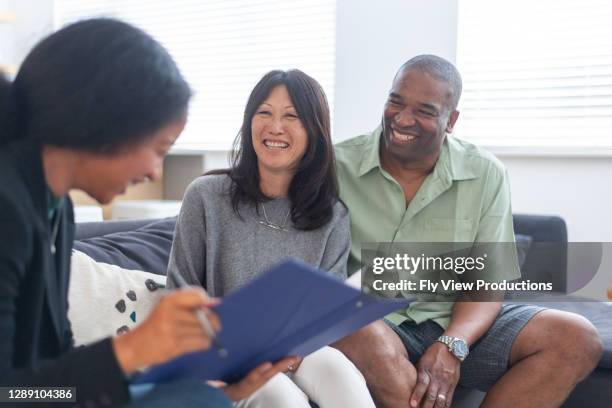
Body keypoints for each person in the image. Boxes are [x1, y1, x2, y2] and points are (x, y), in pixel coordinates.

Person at [0, 18, 299, 408]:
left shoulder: (55, 208)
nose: (155, 172)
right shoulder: (8, 209)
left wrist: (197, 391)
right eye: (159, 148)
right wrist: (132, 349)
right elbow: (12, 394)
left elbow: (48, 378)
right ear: (104, 123)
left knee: (200, 399)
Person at [332, 54, 603, 407]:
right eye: (395, 102)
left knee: (577, 338)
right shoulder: (336, 166)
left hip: (455, 320)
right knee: (360, 332)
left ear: (451, 120)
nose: (402, 118)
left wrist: (452, 344)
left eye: (425, 111)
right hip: (372, 322)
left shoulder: (485, 172)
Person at [167, 69, 375, 408]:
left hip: (300, 353)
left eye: (291, 116)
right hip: (226, 355)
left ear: (314, 131)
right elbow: (179, 292)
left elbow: (325, 317)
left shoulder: (332, 215)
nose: (274, 127)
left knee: (340, 371)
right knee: (282, 397)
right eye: (264, 113)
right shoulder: (205, 196)